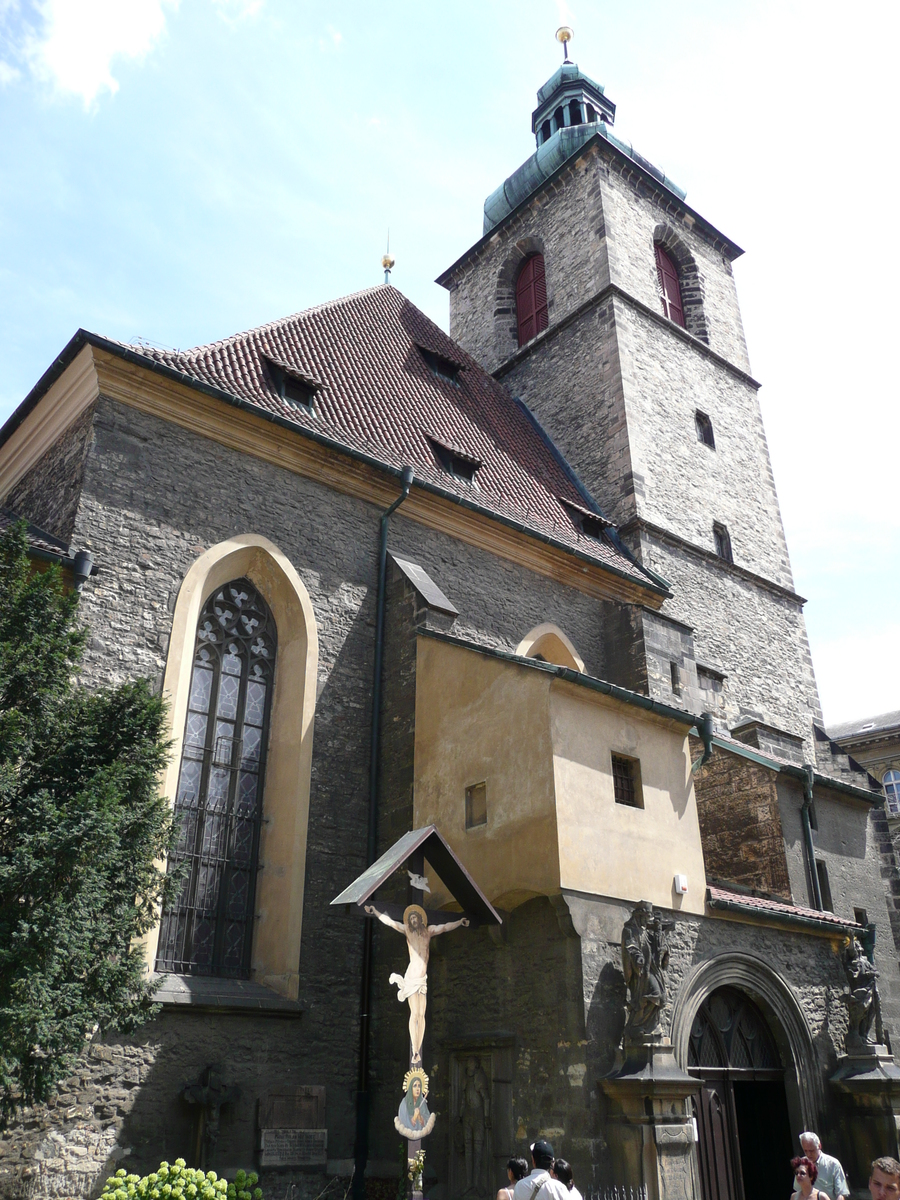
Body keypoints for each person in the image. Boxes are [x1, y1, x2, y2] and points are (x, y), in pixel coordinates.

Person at [365, 902, 469, 1063]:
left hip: (422, 979)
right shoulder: (407, 931)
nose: (413, 920)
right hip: (413, 976)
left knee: (422, 1015)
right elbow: (391, 922)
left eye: (415, 917)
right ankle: (414, 1049)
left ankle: (417, 1048)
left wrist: (460, 922)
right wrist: (376, 912)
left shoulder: (429, 932)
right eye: (411, 918)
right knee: (414, 1014)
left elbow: (445, 927)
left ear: (420, 919)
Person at [791, 1133, 849, 1200]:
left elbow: (841, 1194)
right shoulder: (801, 1165)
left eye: (811, 1150)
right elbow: (798, 1191)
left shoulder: (833, 1164)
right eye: (805, 1151)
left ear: (819, 1146)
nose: (808, 1154)